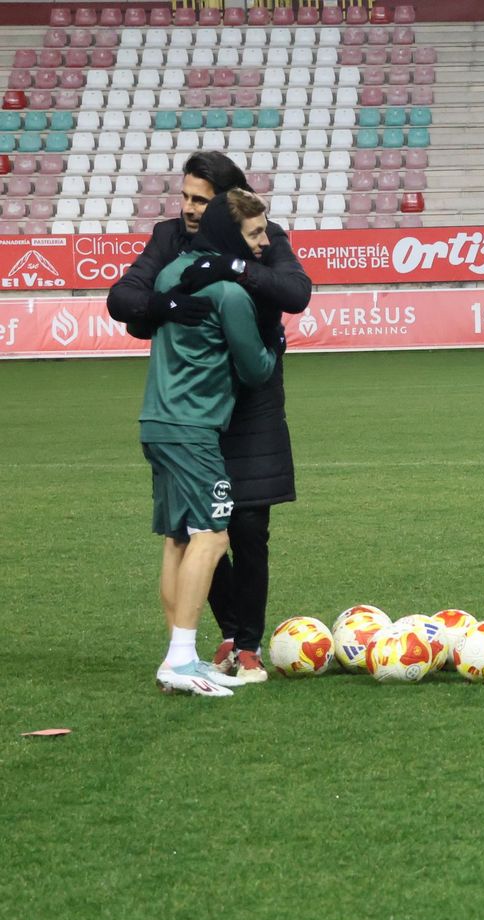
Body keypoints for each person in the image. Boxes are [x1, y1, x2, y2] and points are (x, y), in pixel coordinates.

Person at [109, 151, 311, 681]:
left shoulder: (261, 236)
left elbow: (296, 291)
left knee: (243, 526)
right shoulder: (170, 240)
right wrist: (167, 307)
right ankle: (212, 642)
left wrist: (237, 264)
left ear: (226, 200)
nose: (189, 208)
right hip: (205, 403)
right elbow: (124, 302)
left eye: (201, 199)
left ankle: (245, 644)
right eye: (186, 196)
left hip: (246, 410)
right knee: (207, 531)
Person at [140, 190, 280, 696]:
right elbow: (256, 369)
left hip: (155, 421)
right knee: (214, 536)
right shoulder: (230, 293)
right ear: (228, 236)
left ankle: (180, 656)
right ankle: (179, 660)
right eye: (255, 234)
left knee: (178, 537)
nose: (264, 242)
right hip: (194, 429)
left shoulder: (170, 273)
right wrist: (275, 340)